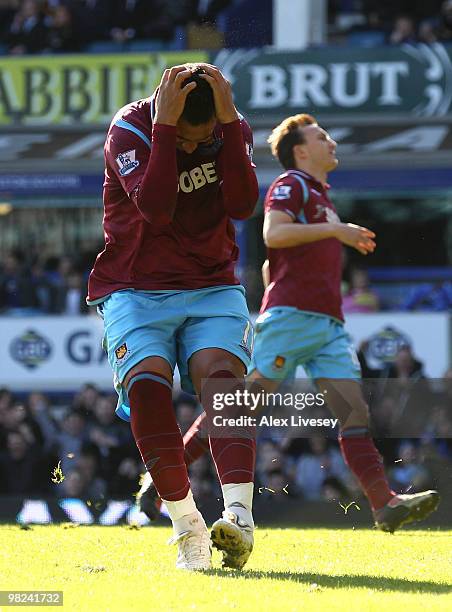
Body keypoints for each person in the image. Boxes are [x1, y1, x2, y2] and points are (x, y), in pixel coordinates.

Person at [139, 112, 440, 533]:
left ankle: (383, 503)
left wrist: (325, 238)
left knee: (354, 412)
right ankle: (161, 484)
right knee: (239, 410)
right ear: (301, 150)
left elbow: (272, 262)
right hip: (292, 320)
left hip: (328, 326)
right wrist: (338, 232)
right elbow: (274, 234)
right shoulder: (291, 185)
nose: (331, 142)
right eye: (322, 136)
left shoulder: (320, 195)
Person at [87, 63, 259, 570]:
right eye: (184, 138)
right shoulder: (132, 129)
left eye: (199, 138)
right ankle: (187, 527)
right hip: (135, 286)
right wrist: (165, 130)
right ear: (164, 112)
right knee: (145, 387)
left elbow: (245, 204)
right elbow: (157, 209)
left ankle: (240, 519)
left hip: (211, 284)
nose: (190, 147)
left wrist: (226, 127)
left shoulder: (231, 127)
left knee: (224, 383)